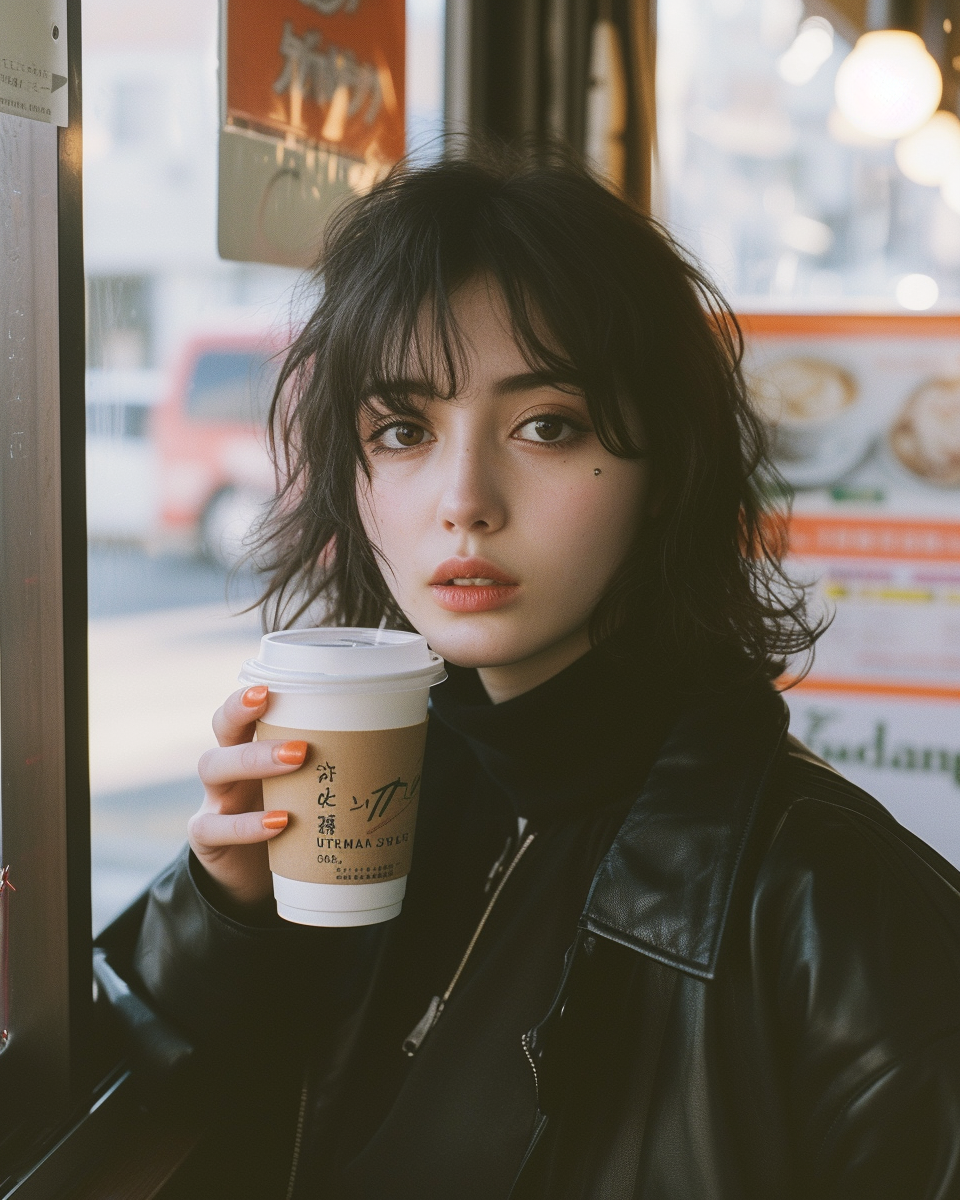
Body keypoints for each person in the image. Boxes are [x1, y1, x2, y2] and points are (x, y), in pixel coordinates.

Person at [121, 147, 960, 1199]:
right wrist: (229, 913)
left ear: (667, 467)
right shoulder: (386, 803)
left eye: (547, 425)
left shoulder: (841, 916)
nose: (464, 498)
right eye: (403, 429)